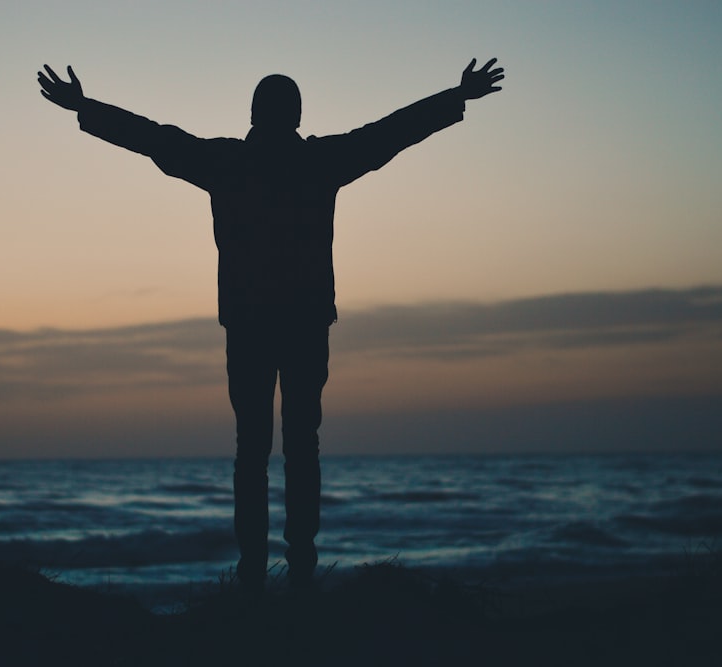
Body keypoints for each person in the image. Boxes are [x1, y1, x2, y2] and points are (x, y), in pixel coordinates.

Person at [38, 59, 504, 592]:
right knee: (301, 446)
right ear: (298, 115)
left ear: (254, 116)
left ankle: (254, 574)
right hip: (303, 322)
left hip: (251, 323)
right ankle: (299, 570)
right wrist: (454, 96)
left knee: (253, 450)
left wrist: (85, 108)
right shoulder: (319, 160)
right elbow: (390, 133)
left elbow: (152, 138)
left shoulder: (226, 161)